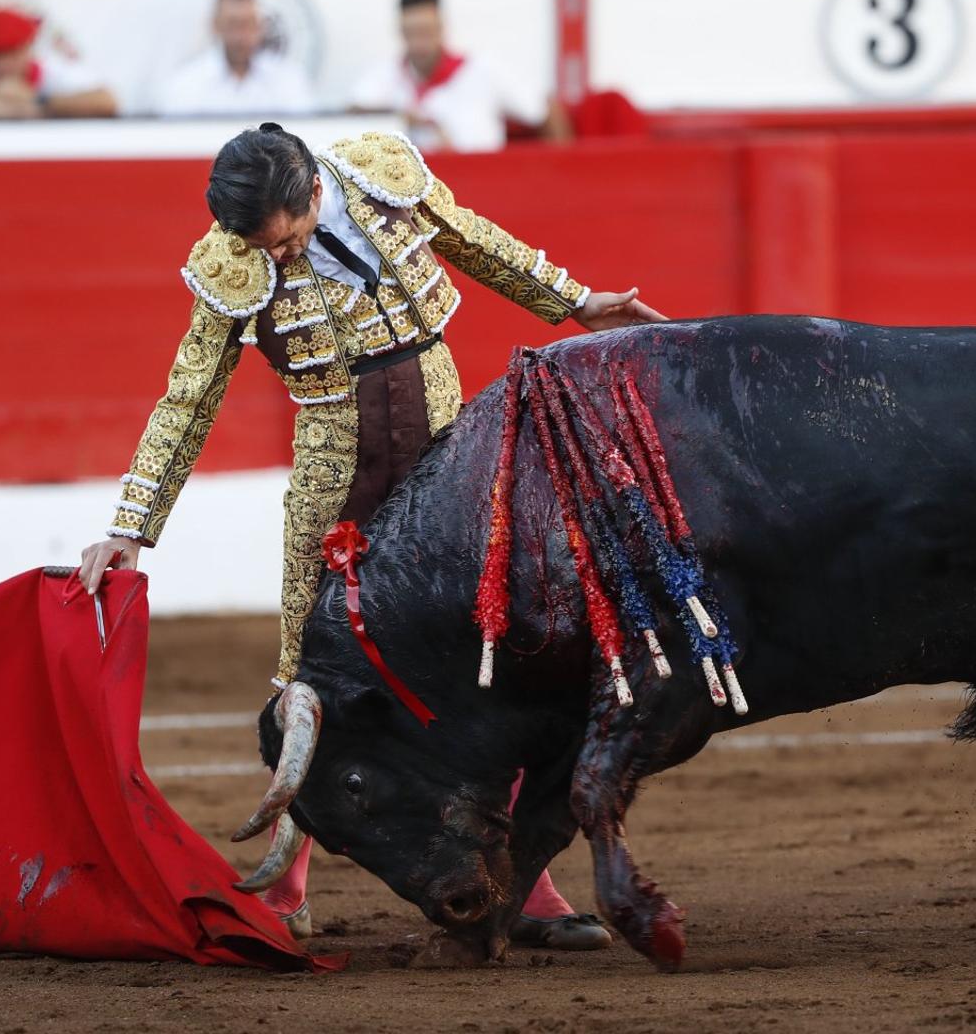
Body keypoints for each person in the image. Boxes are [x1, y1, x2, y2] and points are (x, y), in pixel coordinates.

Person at [76, 124, 663, 949]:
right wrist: (131, 527)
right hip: (333, 460)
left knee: (490, 654)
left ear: (313, 193)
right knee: (307, 670)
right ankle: (284, 887)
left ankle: (525, 885)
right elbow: (189, 396)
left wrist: (572, 300)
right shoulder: (234, 258)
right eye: (263, 250)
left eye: (287, 242)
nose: (276, 262)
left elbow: (471, 240)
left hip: (447, 446)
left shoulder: (381, 176)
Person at [348, 0, 569, 153]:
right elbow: (352, 112)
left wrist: (560, 171)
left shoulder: (482, 69)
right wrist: (399, 116)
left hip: (481, 181)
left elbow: (544, 110)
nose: (419, 42)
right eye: (411, 33)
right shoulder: (386, 76)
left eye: (426, 31)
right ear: (401, 33)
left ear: (441, 29)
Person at [154, 0, 316, 119]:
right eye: (233, 24)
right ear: (215, 25)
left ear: (260, 26)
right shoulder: (187, 83)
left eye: (249, 24)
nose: (242, 35)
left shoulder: (287, 78)